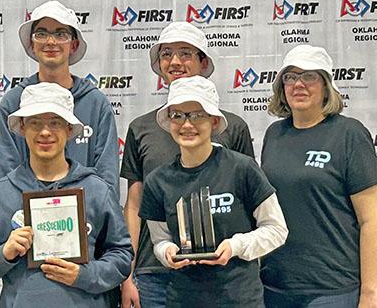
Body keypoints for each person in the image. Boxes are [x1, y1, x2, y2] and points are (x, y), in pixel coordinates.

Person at [0, 82, 133, 308]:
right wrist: (4, 252)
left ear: (69, 129)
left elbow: (121, 256)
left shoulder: (97, 190)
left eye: (55, 123)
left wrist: (85, 275)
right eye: (35, 123)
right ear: (21, 128)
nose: (45, 132)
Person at [120, 21, 255, 308]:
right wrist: (127, 275)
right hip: (155, 272)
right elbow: (134, 205)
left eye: (186, 53)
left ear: (203, 62)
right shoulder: (140, 128)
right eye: (166, 54)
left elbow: (252, 207)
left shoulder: (232, 128)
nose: (175, 61)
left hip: (222, 275)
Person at [138, 75, 288, 307]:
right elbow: (160, 241)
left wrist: (235, 246)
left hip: (238, 299)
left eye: (197, 115)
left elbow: (276, 229)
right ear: (169, 122)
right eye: (178, 115)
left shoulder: (242, 168)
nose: (187, 124)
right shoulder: (158, 181)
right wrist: (167, 252)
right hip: (183, 299)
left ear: (214, 122)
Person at [260, 44, 377, 307]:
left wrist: (371, 292)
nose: (298, 84)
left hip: (332, 288)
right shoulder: (274, 135)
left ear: (326, 85)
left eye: (309, 76)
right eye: (290, 77)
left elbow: (372, 220)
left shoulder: (349, 134)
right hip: (276, 286)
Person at [0, 0, 119, 196]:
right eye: (42, 34)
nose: (50, 42)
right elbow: (7, 178)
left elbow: (107, 177)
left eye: (61, 34)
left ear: (74, 45)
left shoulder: (96, 103)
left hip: (87, 219)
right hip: (27, 220)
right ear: (32, 44)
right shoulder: (12, 103)